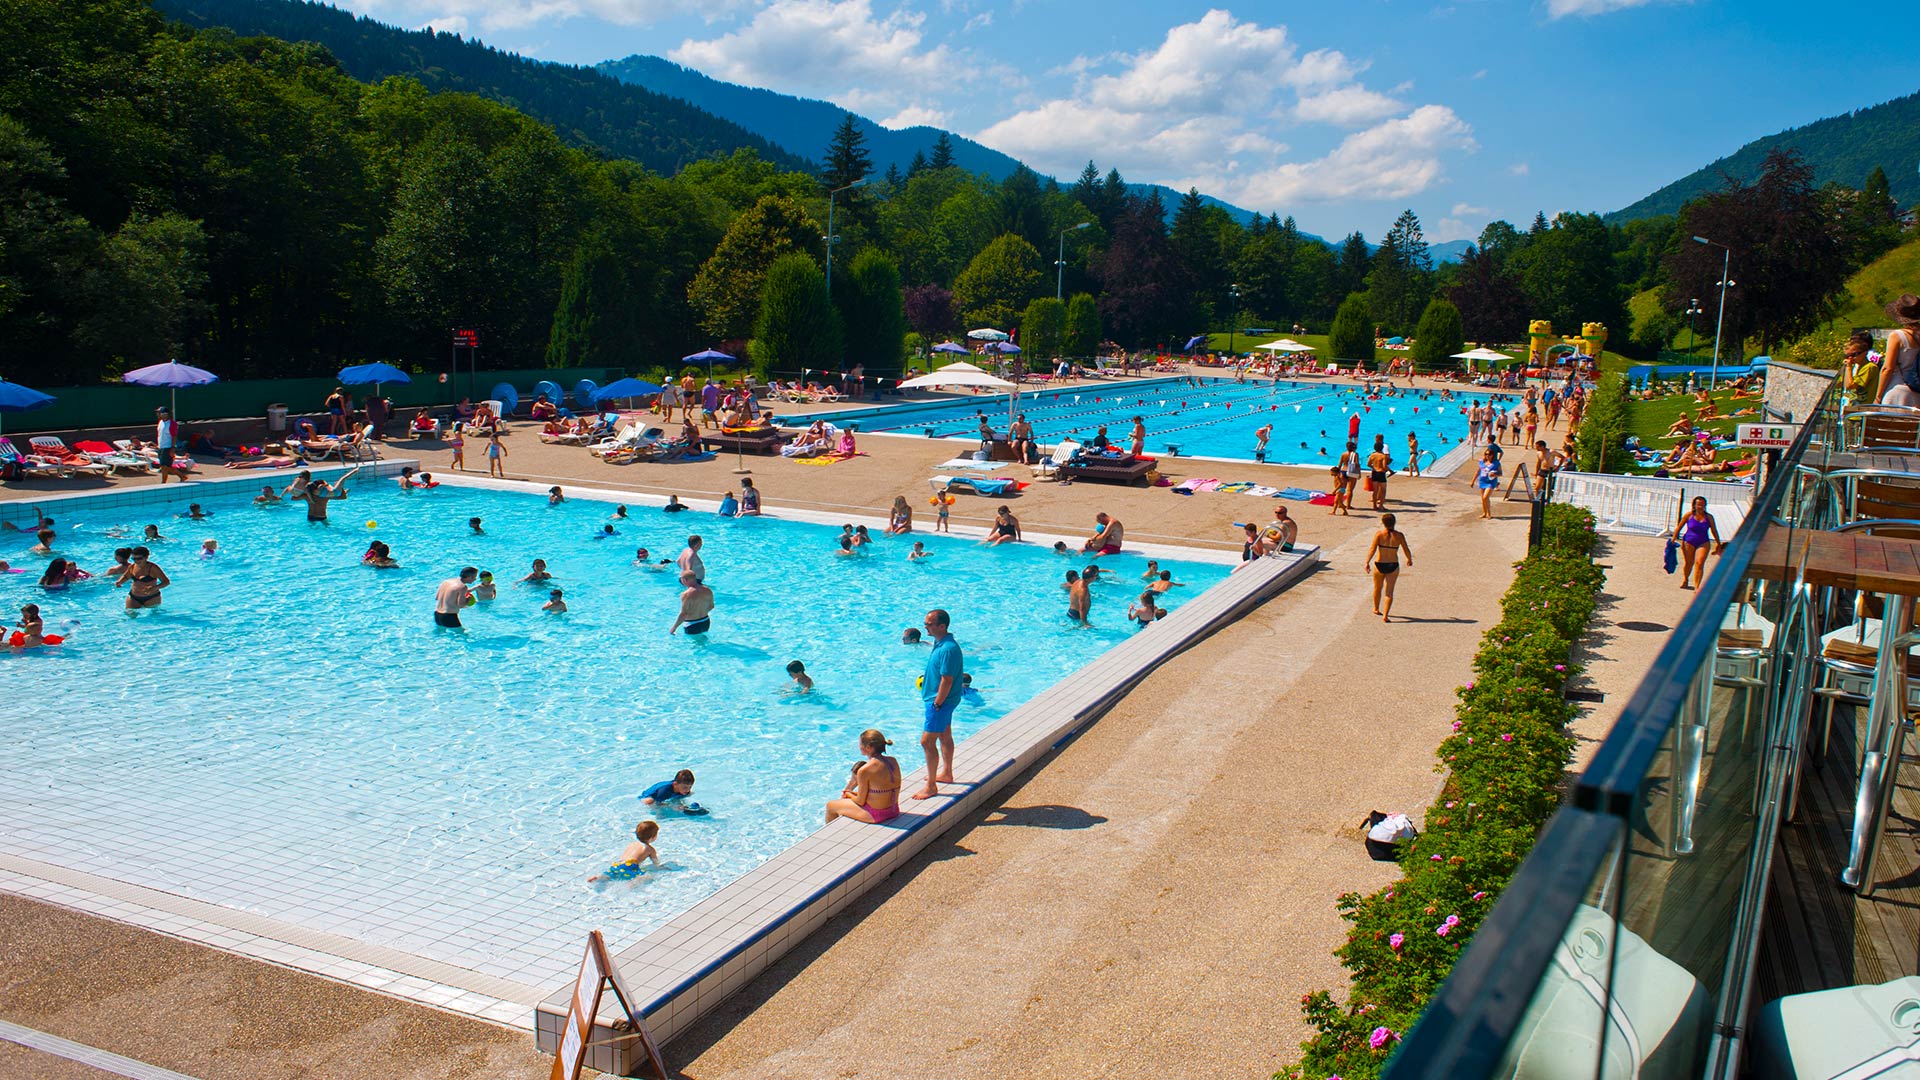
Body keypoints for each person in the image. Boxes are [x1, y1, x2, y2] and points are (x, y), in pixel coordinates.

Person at [913, 609, 962, 800]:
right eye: (925, 623)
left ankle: (931, 786)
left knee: (926, 742)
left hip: (940, 702)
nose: (925, 627)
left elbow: (947, 680)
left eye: (929, 624)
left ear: (942, 626)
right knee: (944, 734)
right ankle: (947, 773)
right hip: (943, 701)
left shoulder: (948, 649)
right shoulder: (941, 643)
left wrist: (937, 703)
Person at [825, 729, 903, 825]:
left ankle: (830, 835)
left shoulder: (865, 770)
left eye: (861, 744)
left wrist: (848, 794)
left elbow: (860, 801)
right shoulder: (893, 761)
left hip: (876, 815)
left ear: (869, 747)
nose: (859, 746)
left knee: (830, 806)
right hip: (893, 810)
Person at [1365, 513, 1414, 622]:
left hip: (1379, 563)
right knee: (1389, 591)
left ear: (1383, 523)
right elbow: (1406, 549)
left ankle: (1376, 608)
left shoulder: (1379, 534)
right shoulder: (1399, 536)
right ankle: (1386, 615)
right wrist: (1409, 559)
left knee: (1377, 588)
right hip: (1393, 564)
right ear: (1394, 522)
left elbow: (1372, 549)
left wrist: (1367, 562)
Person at [1673, 495, 1723, 590]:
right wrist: (1673, 539)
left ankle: (1697, 586)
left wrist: (1718, 543)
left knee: (1699, 563)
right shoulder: (1689, 515)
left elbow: (1714, 530)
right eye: (1698, 504)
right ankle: (1685, 580)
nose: (1700, 507)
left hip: (1703, 542)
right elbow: (1679, 528)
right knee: (1689, 563)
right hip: (1688, 541)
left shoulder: (1709, 517)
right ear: (1694, 505)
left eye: (1702, 505)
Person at [587, 820, 661, 882]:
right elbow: (656, 863)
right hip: (631, 866)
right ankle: (631, 885)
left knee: (610, 874)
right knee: (645, 877)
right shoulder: (650, 849)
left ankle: (598, 877)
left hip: (618, 864)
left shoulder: (632, 844)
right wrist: (661, 867)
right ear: (653, 837)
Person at [154, 407, 182, 483]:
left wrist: (172, 448)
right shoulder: (160, 422)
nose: (157, 414)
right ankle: (182, 476)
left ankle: (164, 482)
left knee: (164, 466)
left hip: (168, 447)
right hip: (161, 446)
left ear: (165, 414)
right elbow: (160, 435)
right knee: (164, 466)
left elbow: (174, 436)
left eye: (159, 413)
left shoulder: (172, 424)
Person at [1475, 446, 1501, 520]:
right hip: (1482, 481)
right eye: (1486, 454)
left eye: (1489, 454)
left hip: (1491, 482)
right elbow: (1478, 471)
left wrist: (1494, 474)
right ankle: (1484, 513)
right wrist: (1473, 481)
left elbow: (1500, 473)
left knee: (1485, 497)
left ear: (1492, 455)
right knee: (1483, 499)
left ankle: (1489, 513)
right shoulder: (1482, 462)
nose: (1487, 456)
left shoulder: (1496, 463)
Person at [1366, 439, 1392, 512]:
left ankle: (1374, 506)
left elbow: (1368, 464)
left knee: (1375, 491)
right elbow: (1384, 466)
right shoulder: (1383, 456)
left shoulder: (1372, 455)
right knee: (1383, 490)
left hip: (1374, 473)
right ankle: (1381, 506)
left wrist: (1373, 467)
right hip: (1381, 473)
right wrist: (1387, 470)